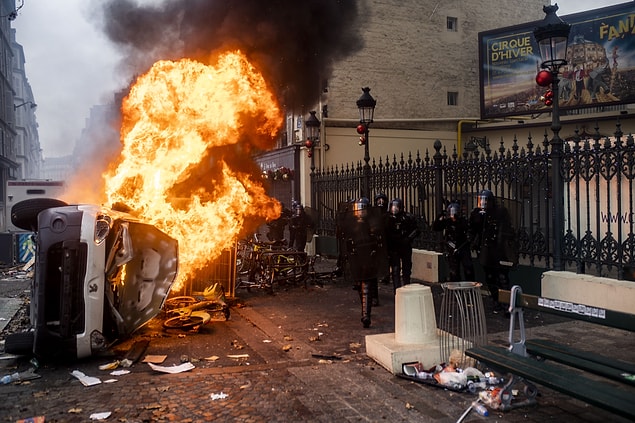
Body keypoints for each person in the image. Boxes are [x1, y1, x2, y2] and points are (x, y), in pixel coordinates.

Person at [339, 197, 388, 328]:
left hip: (369, 256)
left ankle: (366, 315)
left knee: (367, 283)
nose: (360, 211)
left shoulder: (372, 222)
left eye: (362, 208)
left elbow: (379, 238)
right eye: (358, 208)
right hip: (356, 256)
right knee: (359, 285)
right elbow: (344, 235)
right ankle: (365, 309)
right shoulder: (351, 222)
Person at [469, 189, 515, 314]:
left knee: (502, 279)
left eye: (486, 200)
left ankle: (507, 305)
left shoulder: (500, 212)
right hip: (485, 251)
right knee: (490, 278)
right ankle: (496, 301)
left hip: (499, 250)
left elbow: (507, 228)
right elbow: (473, 229)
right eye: (481, 200)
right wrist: (478, 215)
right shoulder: (477, 213)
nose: (483, 203)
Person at [432, 201, 475, 282]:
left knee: (468, 269)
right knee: (454, 272)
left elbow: (468, 230)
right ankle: (456, 289)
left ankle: (469, 288)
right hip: (451, 248)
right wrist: (439, 217)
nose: (453, 217)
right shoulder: (448, 222)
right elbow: (436, 227)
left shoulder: (462, 221)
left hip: (462, 247)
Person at [385, 198, 420, 293]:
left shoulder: (407, 217)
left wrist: (408, 239)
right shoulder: (388, 218)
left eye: (396, 207)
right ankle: (397, 290)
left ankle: (407, 287)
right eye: (393, 207)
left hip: (405, 246)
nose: (394, 209)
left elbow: (416, 230)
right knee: (395, 270)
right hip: (394, 247)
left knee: (406, 269)